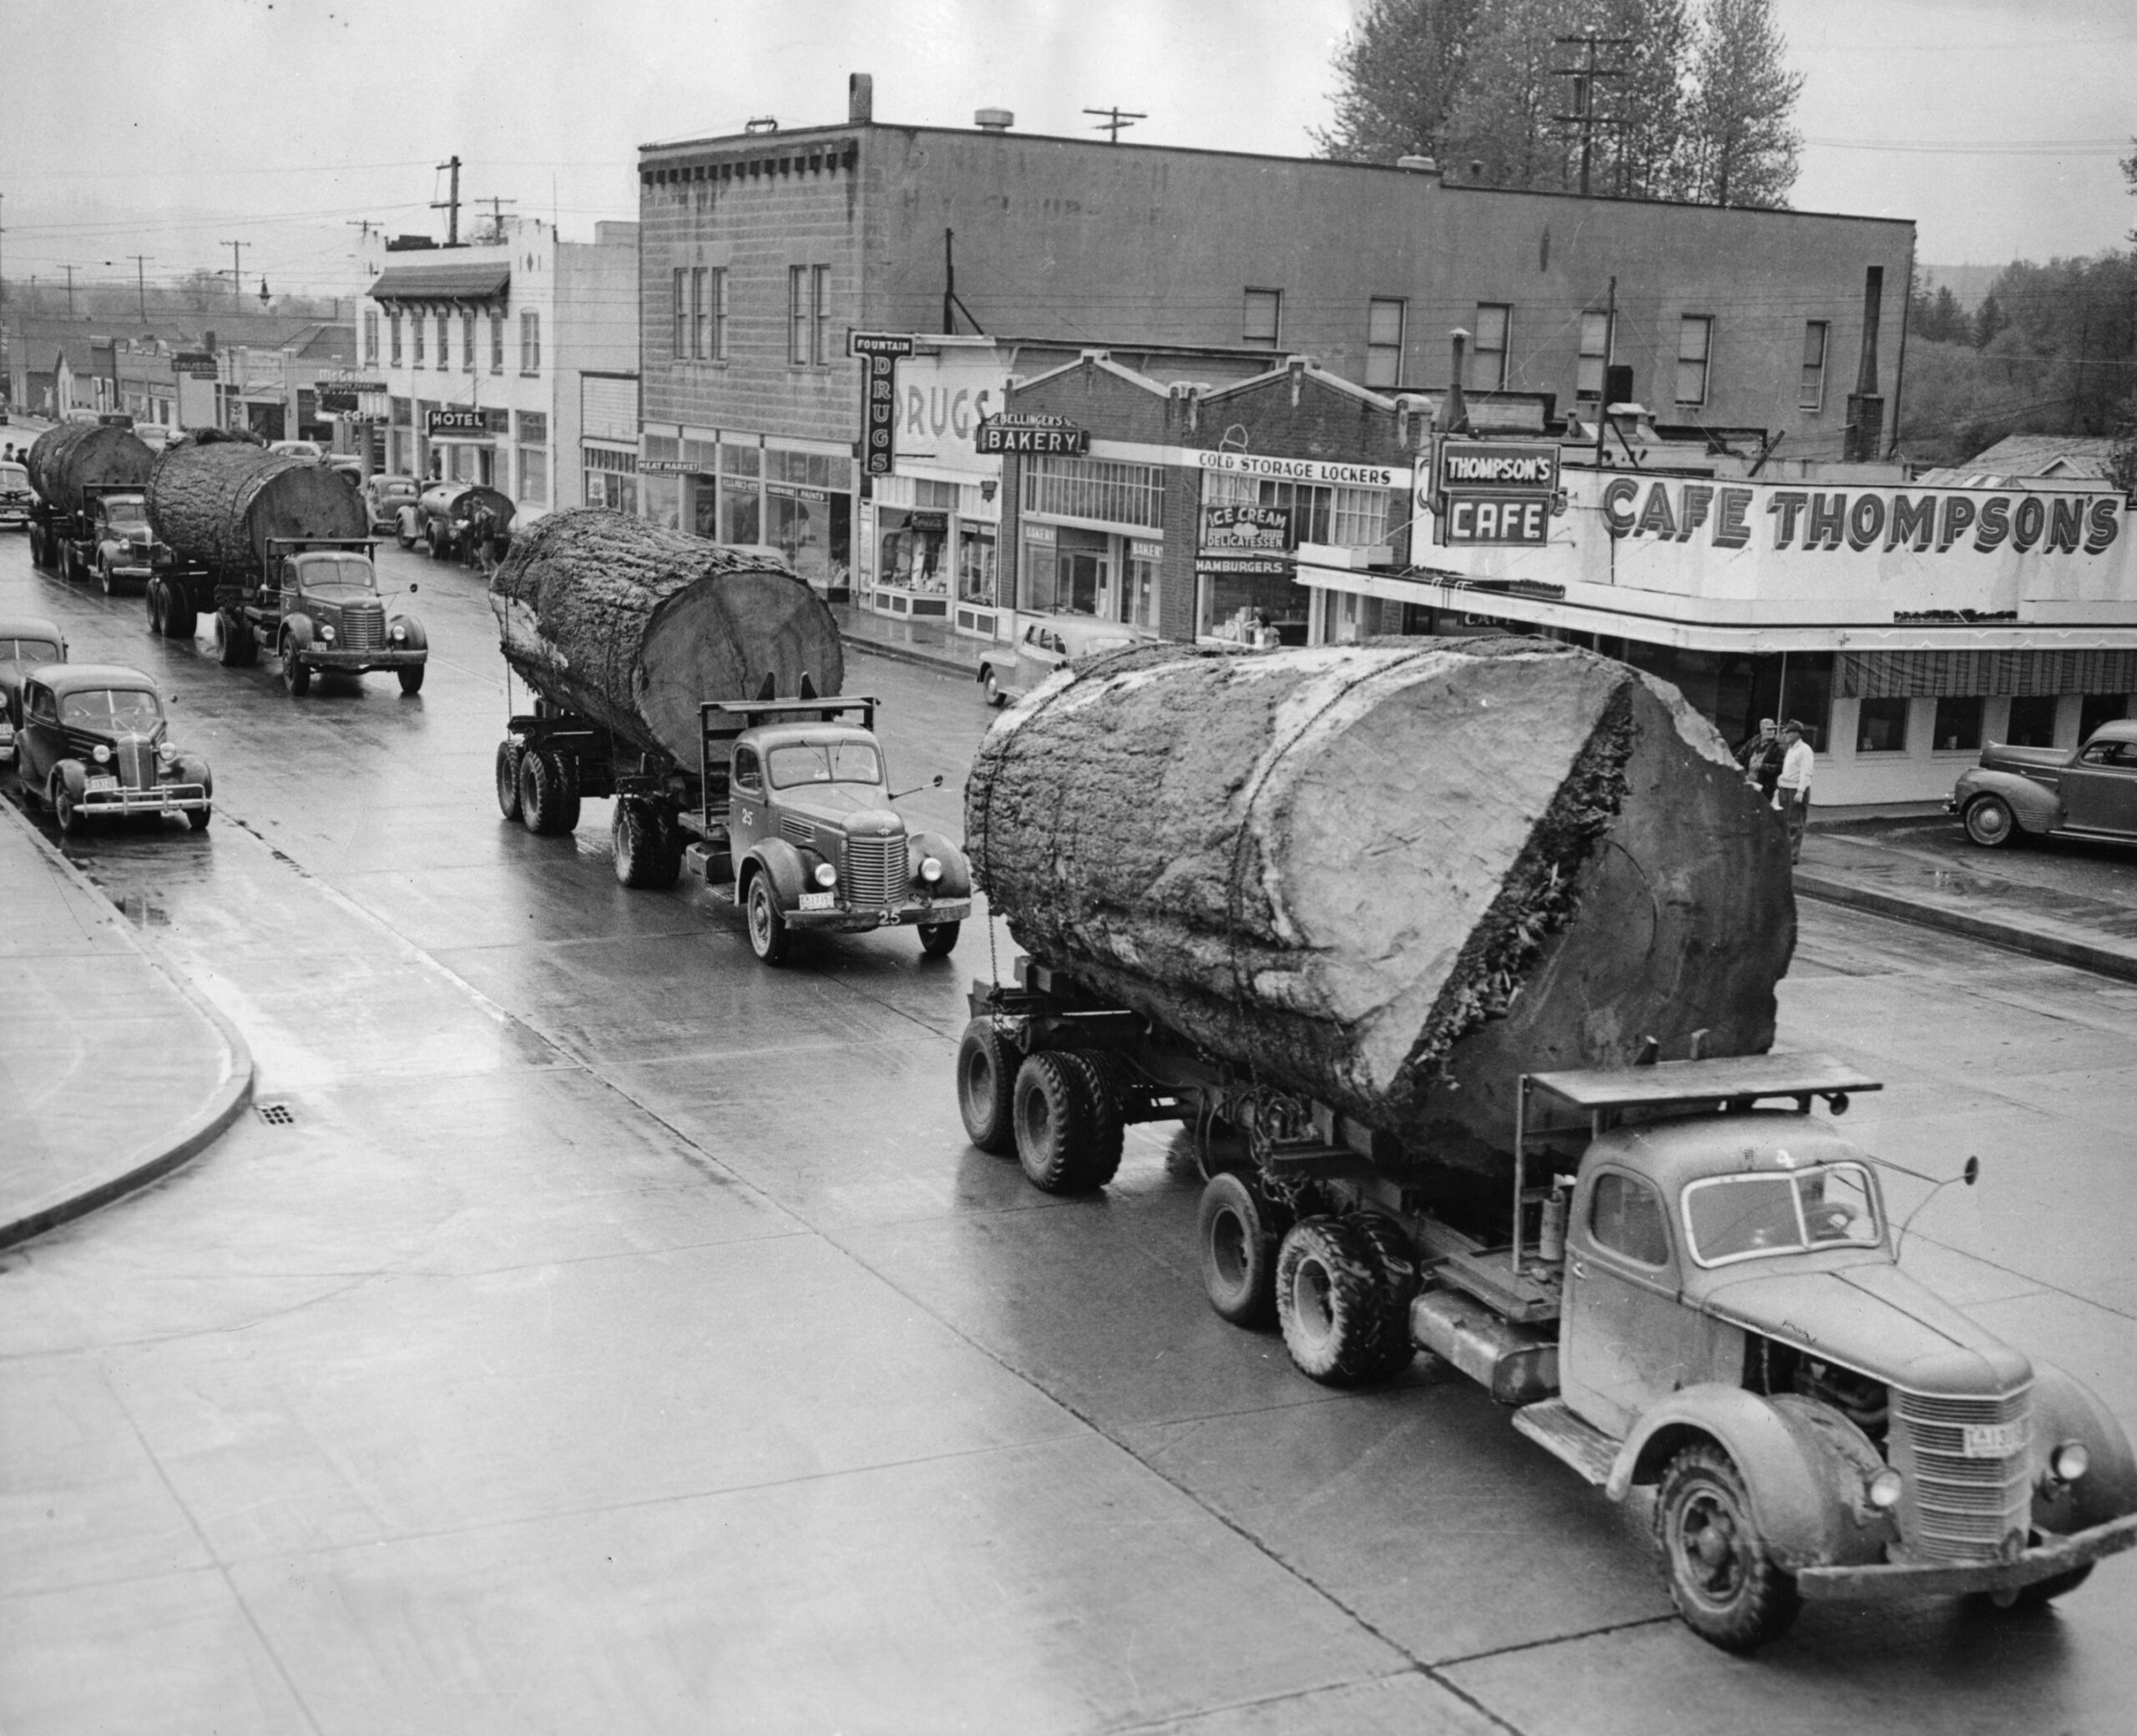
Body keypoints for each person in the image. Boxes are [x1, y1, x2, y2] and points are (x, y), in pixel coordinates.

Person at [1775, 719, 1815, 863]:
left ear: (1797, 734)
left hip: (1796, 791)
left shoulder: (1805, 750)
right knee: (1784, 821)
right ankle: (1785, 852)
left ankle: (1792, 856)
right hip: (1785, 789)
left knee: (1795, 823)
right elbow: (1790, 769)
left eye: (1788, 732)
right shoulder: (1791, 749)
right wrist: (1781, 778)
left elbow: (1806, 772)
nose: (1785, 735)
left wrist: (1801, 791)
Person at [1735, 717, 1780, 801]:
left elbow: (1780, 767)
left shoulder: (1778, 746)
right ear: (1762, 730)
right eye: (1769, 729)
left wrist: (1762, 766)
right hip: (1748, 785)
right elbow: (1739, 757)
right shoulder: (1752, 742)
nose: (1772, 731)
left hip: (1765, 788)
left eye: (1774, 729)